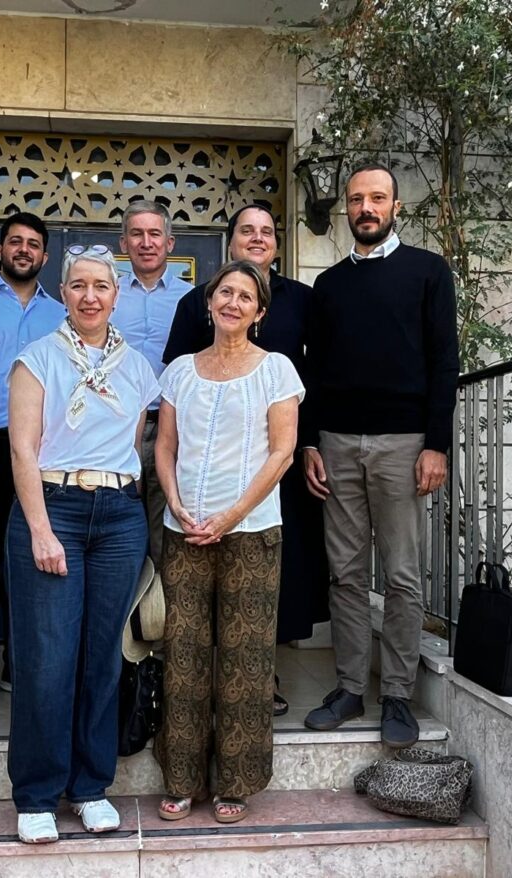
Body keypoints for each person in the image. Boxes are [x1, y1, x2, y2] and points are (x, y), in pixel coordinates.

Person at [301, 163, 460, 750]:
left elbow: (445, 362)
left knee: (400, 576)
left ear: (396, 206)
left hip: (403, 445)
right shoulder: (329, 286)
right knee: (344, 573)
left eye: (377, 198)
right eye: (356, 199)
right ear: (346, 208)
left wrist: (436, 444)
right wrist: (311, 441)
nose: (366, 208)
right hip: (338, 444)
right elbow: (314, 371)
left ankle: (396, 693)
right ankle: (348, 688)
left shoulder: (427, 272)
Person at [6, 244, 160, 844]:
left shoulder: (138, 367)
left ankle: (92, 786)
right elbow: (22, 449)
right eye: (78, 286)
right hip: (56, 510)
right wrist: (41, 529)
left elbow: (142, 442)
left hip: (118, 517)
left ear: (116, 295)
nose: (90, 295)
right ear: (63, 294)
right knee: (48, 661)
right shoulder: (36, 358)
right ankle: (38, 793)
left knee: (103, 658)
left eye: (101, 285)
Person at [163, 204, 329, 716]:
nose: (257, 238)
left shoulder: (301, 300)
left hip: (276, 458)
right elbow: (179, 376)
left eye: (266, 232)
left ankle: (262, 674)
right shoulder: (197, 303)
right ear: (230, 243)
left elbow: (317, 373)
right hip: (204, 469)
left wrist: (309, 444)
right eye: (246, 231)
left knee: (271, 571)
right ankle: (207, 679)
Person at [155, 260, 303, 824]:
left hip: (252, 531)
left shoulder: (278, 370)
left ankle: (236, 782)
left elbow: (282, 451)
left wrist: (231, 514)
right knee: (184, 655)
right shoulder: (180, 372)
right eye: (225, 293)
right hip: (184, 530)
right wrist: (174, 501)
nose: (233, 302)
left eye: (246, 296)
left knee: (244, 658)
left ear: (259, 312)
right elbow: (163, 447)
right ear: (209, 304)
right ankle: (181, 778)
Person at [0, 213, 65, 710]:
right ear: (0, 250)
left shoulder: (61, 316)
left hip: (45, 452)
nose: (24, 250)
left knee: (31, 559)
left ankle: (20, 659)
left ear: (45, 256)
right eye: (16, 242)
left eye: (34, 244)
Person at [113, 200, 193, 566]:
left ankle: (163, 617)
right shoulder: (105, 294)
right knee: (120, 525)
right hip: (116, 425)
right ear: (123, 242)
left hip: (173, 426)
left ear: (170, 243)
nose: (146, 242)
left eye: (154, 234)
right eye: (137, 234)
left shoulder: (193, 299)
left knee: (168, 530)